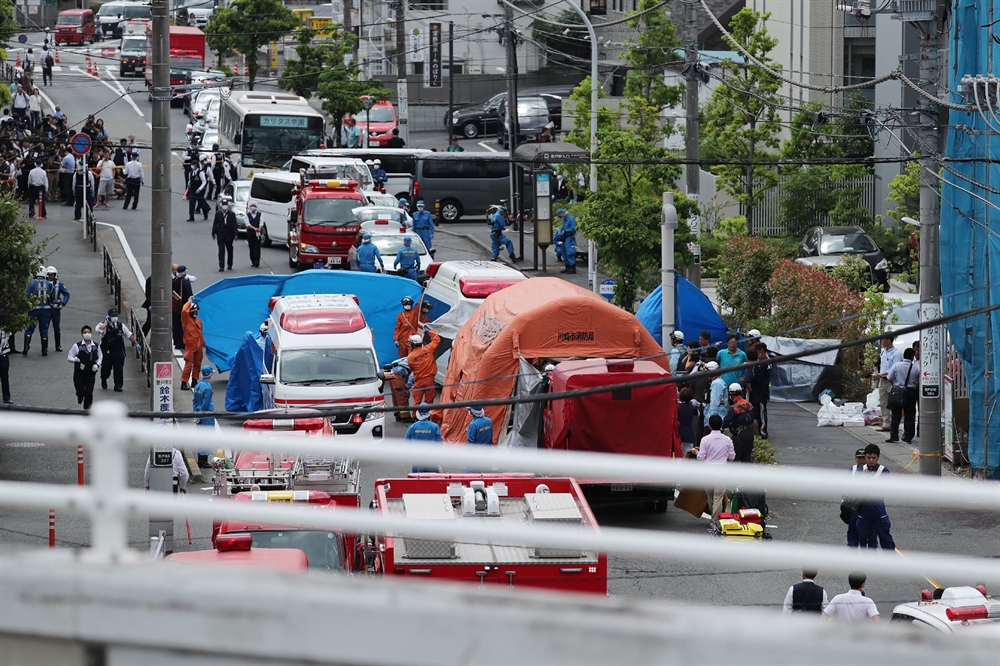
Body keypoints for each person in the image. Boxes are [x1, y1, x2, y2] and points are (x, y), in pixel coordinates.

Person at [696, 414, 735, 521]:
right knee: (718, 498)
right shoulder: (727, 440)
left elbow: (701, 457)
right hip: (721, 471)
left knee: (710, 498)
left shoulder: (705, 439)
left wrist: (696, 452)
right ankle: (715, 522)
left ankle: (714, 520)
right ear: (721, 425)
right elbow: (732, 457)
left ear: (709, 426)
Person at [858, 444, 895, 551]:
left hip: (877, 505)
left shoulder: (883, 471)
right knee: (864, 534)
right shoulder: (860, 471)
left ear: (878, 458)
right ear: (865, 457)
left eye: (873, 458)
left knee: (884, 533)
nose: (871, 460)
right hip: (863, 506)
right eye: (868, 458)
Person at [96, 307, 137, 392]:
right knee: (106, 369)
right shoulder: (103, 324)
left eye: (116, 315)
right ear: (109, 316)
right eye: (113, 315)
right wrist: (106, 323)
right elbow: (99, 330)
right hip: (107, 351)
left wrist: (136, 343)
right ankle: (104, 379)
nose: (115, 317)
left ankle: (118, 386)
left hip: (118, 350)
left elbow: (128, 335)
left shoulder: (120, 325)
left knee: (119, 369)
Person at [886, 347, 918, 443]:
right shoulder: (916, 367)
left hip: (897, 391)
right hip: (911, 392)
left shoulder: (896, 365)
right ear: (912, 357)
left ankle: (894, 435)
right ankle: (908, 436)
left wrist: (895, 385)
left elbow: (889, 377)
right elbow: (918, 380)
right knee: (910, 415)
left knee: (896, 414)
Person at [66, 325, 102, 409]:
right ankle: (80, 395)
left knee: (89, 392)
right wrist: (75, 359)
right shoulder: (77, 346)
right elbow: (69, 357)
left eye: (89, 332)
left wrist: (97, 365)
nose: (87, 334)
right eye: (85, 333)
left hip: (90, 373)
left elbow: (100, 356)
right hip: (79, 373)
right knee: (81, 391)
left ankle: (87, 410)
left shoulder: (96, 346)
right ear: (82, 334)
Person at [722, 383, 757, 462]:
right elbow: (754, 420)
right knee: (746, 458)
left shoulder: (734, 408)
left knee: (734, 459)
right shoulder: (749, 404)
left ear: (732, 395)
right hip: (749, 433)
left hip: (739, 435)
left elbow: (725, 423)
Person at [22, 267, 53, 356]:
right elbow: (51, 295)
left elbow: (27, 294)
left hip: (34, 309)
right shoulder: (49, 284)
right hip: (45, 310)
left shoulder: (32, 283)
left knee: (29, 329)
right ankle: (44, 350)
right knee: (44, 330)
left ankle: (26, 347)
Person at [406, 326, 440, 407]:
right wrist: (429, 331)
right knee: (429, 401)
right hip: (430, 380)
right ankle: (427, 416)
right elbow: (437, 340)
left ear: (412, 345)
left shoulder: (410, 357)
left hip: (419, 380)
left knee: (417, 402)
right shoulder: (428, 349)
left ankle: (415, 418)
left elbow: (412, 368)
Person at [404, 404, 442, 473]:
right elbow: (439, 444)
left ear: (418, 413)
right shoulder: (434, 426)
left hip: (417, 459)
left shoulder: (412, 427)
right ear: (429, 413)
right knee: (433, 481)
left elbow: (406, 443)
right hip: (432, 459)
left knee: (418, 481)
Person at [874, 335, 901, 432]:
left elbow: (895, 368)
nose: (882, 342)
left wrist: (885, 373)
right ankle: (886, 423)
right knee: (883, 402)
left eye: (883, 340)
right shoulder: (883, 352)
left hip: (891, 381)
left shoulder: (896, 354)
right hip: (882, 379)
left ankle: (894, 423)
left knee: (893, 402)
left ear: (889, 340)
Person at [745, 344, 771, 439]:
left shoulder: (755, 366)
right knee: (759, 413)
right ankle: (760, 431)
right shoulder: (763, 363)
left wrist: (750, 389)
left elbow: (747, 380)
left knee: (758, 413)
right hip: (761, 392)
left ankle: (761, 432)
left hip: (758, 392)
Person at [192, 365, 215, 466]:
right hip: (207, 414)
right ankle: (204, 460)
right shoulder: (208, 387)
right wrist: (202, 412)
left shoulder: (198, 386)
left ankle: (200, 459)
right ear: (209, 375)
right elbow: (205, 403)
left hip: (198, 413)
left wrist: (196, 413)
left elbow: (194, 400)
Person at [845, 448, 868, 548]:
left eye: (863, 458)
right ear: (855, 459)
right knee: (853, 527)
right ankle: (852, 546)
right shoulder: (852, 469)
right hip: (854, 504)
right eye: (859, 458)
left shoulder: (871, 469)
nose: (861, 460)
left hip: (866, 504)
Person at [179, 300, 204, 390]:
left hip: (198, 346)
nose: (196, 313)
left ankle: (194, 380)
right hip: (190, 347)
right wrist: (189, 302)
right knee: (188, 365)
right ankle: (184, 382)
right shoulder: (186, 321)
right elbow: (184, 311)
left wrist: (202, 343)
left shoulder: (198, 321)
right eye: (194, 311)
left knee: (197, 364)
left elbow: (200, 333)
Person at [46, 266, 70, 352]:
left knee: (56, 327)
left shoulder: (59, 284)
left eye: (52, 275)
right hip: (47, 309)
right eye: (49, 275)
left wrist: (63, 303)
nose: (50, 277)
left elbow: (67, 294)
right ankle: (45, 346)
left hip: (56, 309)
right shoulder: (44, 284)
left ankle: (58, 345)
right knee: (45, 327)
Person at [172, 265, 194, 350]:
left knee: (176, 324)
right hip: (184, 307)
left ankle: (177, 342)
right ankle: (182, 342)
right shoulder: (186, 283)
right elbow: (190, 296)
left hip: (175, 307)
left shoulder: (173, 281)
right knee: (183, 325)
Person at [212, 199, 238, 271]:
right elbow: (215, 224)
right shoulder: (218, 214)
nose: (224, 206)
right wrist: (213, 233)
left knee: (230, 250)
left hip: (229, 235)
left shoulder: (232, 214)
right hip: (220, 235)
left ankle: (230, 264)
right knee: (221, 251)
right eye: (223, 205)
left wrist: (235, 234)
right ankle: (221, 266)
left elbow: (234, 225)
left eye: (225, 205)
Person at [386, 358, 414, 422]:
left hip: (392, 372)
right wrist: (408, 386)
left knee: (395, 395)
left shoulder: (411, 357)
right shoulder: (419, 362)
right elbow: (413, 375)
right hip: (398, 374)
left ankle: (398, 414)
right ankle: (405, 416)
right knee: (403, 395)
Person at [702, 361, 727, 427]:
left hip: (714, 421)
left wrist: (710, 421)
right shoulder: (717, 382)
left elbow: (714, 404)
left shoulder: (717, 384)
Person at [676, 387, 700, 455]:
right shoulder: (692, 407)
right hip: (689, 434)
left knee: (678, 455)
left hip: (679, 433)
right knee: (688, 455)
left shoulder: (678, 407)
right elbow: (698, 414)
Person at [553, 208, 576, 273]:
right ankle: (567, 266)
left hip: (569, 237)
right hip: (564, 237)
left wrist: (565, 231)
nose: (560, 217)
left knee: (570, 252)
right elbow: (563, 227)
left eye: (560, 216)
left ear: (563, 214)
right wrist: (560, 232)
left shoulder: (571, 219)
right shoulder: (565, 220)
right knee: (564, 252)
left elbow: (573, 228)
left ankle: (572, 267)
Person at [245, 202, 262, 268]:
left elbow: (261, 222)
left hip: (257, 234)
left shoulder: (260, 214)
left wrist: (259, 229)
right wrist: (254, 228)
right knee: (251, 247)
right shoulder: (247, 215)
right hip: (250, 233)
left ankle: (257, 261)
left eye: (254, 206)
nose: (253, 207)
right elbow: (247, 224)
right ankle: (253, 260)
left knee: (257, 247)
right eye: (252, 206)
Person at [0, 329, 12, 404]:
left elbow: (9, 333)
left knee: (4, 376)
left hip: (3, 353)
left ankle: (6, 397)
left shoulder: (5, 325)